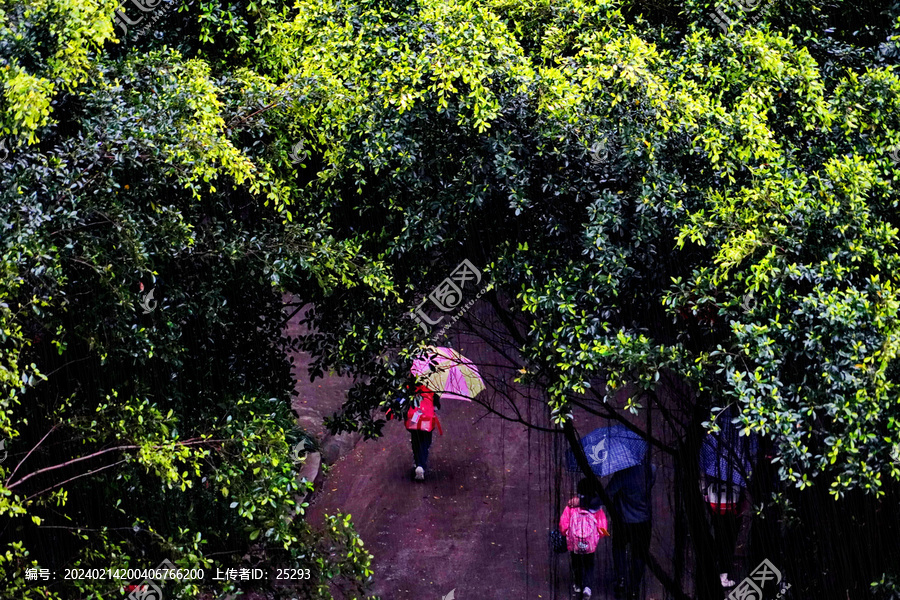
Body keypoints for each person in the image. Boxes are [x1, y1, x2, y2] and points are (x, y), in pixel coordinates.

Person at [607, 463, 656, 600]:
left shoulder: (622, 473)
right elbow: (650, 485)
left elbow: (608, 493)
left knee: (619, 547)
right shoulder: (651, 469)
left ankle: (621, 579)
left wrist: (584, 502)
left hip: (624, 520)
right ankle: (634, 588)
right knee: (639, 554)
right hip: (643, 520)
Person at [560, 478, 610, 600]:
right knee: (589, 564)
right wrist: (598, 537)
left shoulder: (571, 505)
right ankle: (587, 587)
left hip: (574, 542)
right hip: (590, 544)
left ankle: (577, 584)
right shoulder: (597, 508)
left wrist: (568, 534)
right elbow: (603, 528)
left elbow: (563, 525)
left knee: (576, 561)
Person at [403, 385, 441, 481]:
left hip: (413, 419)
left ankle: (417, 462)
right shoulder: (432, 386)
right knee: (425, 442)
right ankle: (421, 465)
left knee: (415, 440)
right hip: (426, 421)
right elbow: (437, 406)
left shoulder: (410, 386)